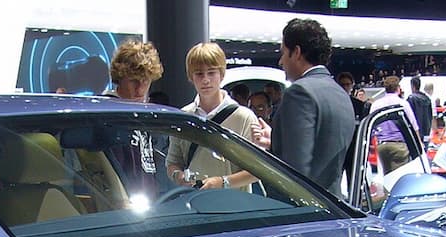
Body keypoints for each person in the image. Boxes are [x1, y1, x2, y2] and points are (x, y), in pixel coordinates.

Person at [271, 18, 355, 197]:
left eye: (284, 53)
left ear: (297, 52)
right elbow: (322, 149)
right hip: (334, 205)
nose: (280, 61)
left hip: (300, 213)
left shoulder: (300, 92)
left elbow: (295, 170)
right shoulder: (340, 93)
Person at [165, 42, 263, 192]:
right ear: (191, 77)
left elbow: (258, 171)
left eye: (211, 72)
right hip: (194, 205)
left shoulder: (244, 117)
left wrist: (223, 182)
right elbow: (172, 162)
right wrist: (178, 176)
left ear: (222, 74)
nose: (205, 80)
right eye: (199, 74)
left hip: (235, 208)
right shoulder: (183, 117)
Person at [101, 40, 166, 199]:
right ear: (120, 77)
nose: (140, 89)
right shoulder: (104, 114)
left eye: (145, 81)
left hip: (150, 205)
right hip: (117, 206)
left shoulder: (145, 115)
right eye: (134, 81)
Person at [368, 76, 419, 176]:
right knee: (399, 178)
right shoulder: (403, 104)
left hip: (382, 146)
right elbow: (413, 125)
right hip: (399, 145)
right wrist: (419, 144)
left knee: (386, 176)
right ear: (398, 88)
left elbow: (371, 125)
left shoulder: (376, 104)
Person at [407, 76, 433, 142]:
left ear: (412, 86)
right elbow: (431, 115)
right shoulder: (427, 98)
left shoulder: (411, 99)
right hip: (426, 130)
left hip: (415, 132)